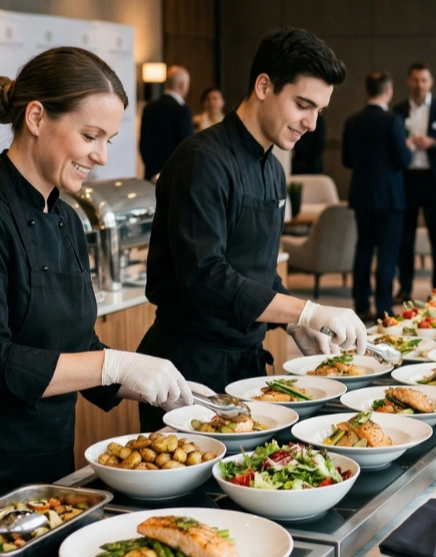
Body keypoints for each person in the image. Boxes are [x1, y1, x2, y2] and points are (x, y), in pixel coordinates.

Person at [0, 47, 194, 546]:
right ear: (36, 117)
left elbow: (75, 345)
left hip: (42, 473)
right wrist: (113, 366)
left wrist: (164, 386)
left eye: (109, 140)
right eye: (90, 135)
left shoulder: (68, 219)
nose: (101, 155)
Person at [137, 28, 366, 431]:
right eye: (303, 105)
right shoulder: (201, 160)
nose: (312, 124)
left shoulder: (274, 171)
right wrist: (307, 309)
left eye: (320, 111)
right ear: (263, 85)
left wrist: (293, 323)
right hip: (190, 369)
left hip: (245, 367)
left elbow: (257, 272)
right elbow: (206, 277)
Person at [342, 71, 411, 318]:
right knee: (387, 253)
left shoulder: (352, 121)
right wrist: (409, 147)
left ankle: (361, 304)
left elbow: (346, 160)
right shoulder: (393, 121)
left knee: (363, 249)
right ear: (388, 91)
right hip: (390, 197)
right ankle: (383, 307)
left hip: (362, 194)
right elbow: (403, 159)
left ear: (366, 90)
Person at [393, 63, 436, 300]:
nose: (419, 85)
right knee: (405, 238)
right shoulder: (398, 110)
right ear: (408, 81)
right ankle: (405, 287)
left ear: (430, 82)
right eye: (415, 80)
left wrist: (434, 143)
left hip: (435, 179)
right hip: (407, 179)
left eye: (424, 80)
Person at [139, 65, 193, 180]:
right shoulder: (182, 111)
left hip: (150, 176)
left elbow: (143, 145)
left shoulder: (148, 108)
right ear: (182, 85)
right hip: (174, 177)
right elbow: (187, 148)